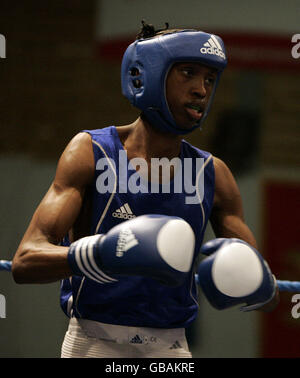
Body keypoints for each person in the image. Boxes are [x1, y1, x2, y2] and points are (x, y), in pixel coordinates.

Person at [11, 21, 279, 358]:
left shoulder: (214, 174)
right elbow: (25, 261)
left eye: (209, 79)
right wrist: (103, 254)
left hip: (172, 351)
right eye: (188, 73)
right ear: (146, 74)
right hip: (94, 343)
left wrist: (258, 283)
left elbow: (267, 298)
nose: (201, 90)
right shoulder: (91, 151)